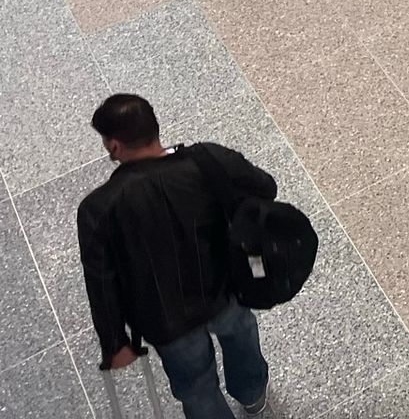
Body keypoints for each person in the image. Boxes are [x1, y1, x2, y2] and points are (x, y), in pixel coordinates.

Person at [78, 94, 276, 419]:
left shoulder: (98, 208)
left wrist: (115, 342)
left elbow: (102, 281)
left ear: (114, 146)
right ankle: (253, 396)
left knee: (196, 386)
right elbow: (265, 188)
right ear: (154, 127)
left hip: (166, 319)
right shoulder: (208, 161)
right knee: (242, 341)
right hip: (226, 289)